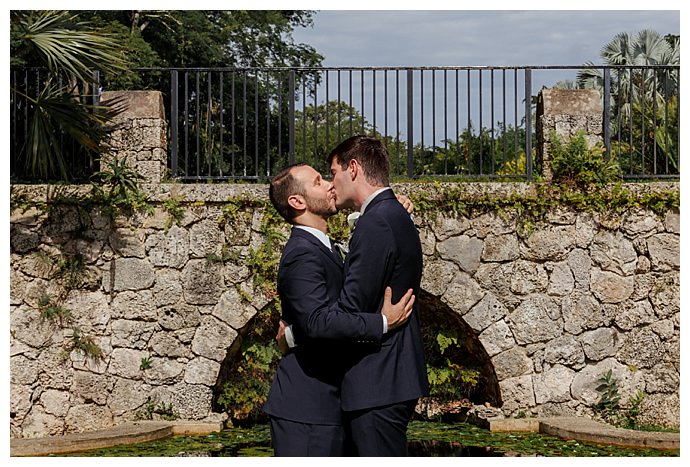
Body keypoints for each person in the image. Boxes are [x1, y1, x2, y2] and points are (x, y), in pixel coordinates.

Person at [278, 136, 429, 456]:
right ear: (297, 202)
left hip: (377, 384)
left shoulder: (378, 221)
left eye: (330, 174)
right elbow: (325, 319)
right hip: (322, 403)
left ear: (354, 169)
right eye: (320, 180)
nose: (331, 184)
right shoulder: (307, 252)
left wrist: (293, 334)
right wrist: (381, 322)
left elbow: (343, 309)